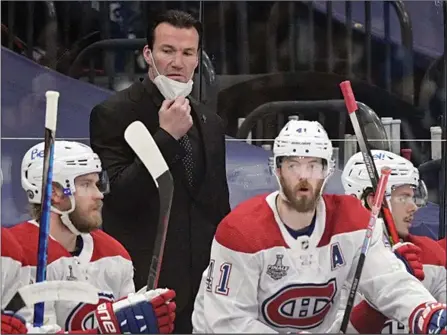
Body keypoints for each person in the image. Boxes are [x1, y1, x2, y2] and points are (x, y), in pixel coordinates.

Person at [191, 120, 447, 334]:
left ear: (327, 171)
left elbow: (389, 282)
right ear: (277, 170)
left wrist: (425, 312)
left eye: (313, 166)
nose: (304, 176)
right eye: (293, 166)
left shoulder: (353, 222)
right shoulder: (241, 231)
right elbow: (227, 323)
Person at [89, 9, 230, 333]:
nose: (177, 63)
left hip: (203, 295)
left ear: (197, 59)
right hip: (142, 291)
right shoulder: (114, 113)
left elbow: (216, 207)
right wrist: (166, 137)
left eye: (187, 53)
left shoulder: (211, 122)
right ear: (148, 55)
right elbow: (120, 198)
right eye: (168, 51)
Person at [7, 140, 176, 334]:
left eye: (97, 184)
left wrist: (139, 319)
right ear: (54, 192)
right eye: (86, 184)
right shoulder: (17, 256)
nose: (99, 194)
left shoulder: (114, 255)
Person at [339, 150, 447, 333]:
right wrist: (388, 287)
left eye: (412, 197)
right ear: (372, 201)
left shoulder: (429, 254)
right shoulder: (336, 258)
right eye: (403, 198)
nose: (413, 207)